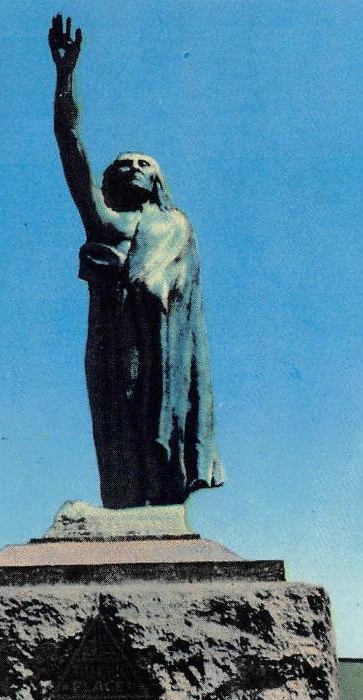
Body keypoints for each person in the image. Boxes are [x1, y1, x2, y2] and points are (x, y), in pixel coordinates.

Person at [49, 14, 225, 508]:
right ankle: (125, 515)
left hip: (162, 346)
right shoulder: (106, 221)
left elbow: (174, 290)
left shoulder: (176, 225)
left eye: (143, 163)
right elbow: (71, 149)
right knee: (115, 425)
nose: (131, 167)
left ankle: (159, 512)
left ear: (157, 181)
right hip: (112, 340)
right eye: (122, 163)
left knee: (157, 426)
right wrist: (65, 76)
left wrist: (131, 280)